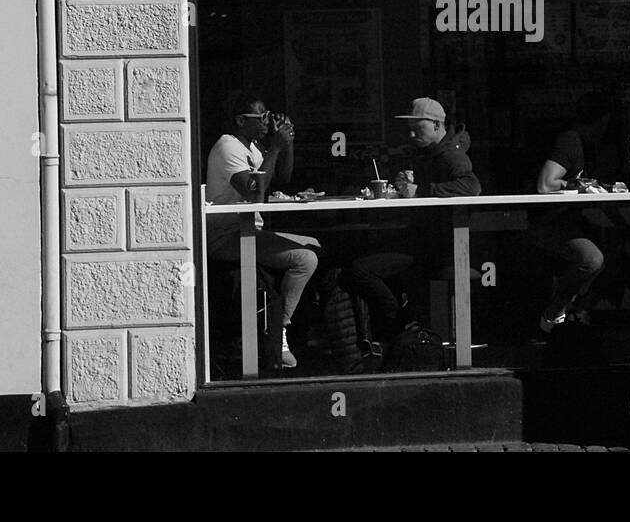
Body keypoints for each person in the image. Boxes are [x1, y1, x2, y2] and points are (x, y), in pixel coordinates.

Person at [342, 98, 480, 355]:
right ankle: (398, 327)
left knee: (359, 270)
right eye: (410, 128)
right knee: (364, 262)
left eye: (419, 127)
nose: (412, 133)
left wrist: (422, 190)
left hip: (434, 247)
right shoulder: (433, 152)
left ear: (438, 125)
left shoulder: (451, 153)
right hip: (421, 240)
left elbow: (471, 186)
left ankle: (400, 327)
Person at [205, 89, 318, 369]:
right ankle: (278, 331)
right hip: (227, 237)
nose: (267, 122)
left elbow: (284, 177)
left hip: (248, 231)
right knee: (305, 259)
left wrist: (286, 144)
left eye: (269, 116)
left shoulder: (253, 147)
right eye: (262, 116)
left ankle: (280, 315)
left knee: (313, 244)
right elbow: (255, 191)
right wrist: (277, 147)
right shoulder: (228, 146)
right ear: (241, 120)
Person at [533, 93, 610, 333]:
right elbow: (545, 184)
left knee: (620, 250)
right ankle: (553, 314)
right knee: (592, 258)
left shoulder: (587, 146)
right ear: (603, 121)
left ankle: (579, 312)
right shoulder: (570, 141)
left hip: (573, 221)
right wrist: (572, 185)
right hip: (547, 222)